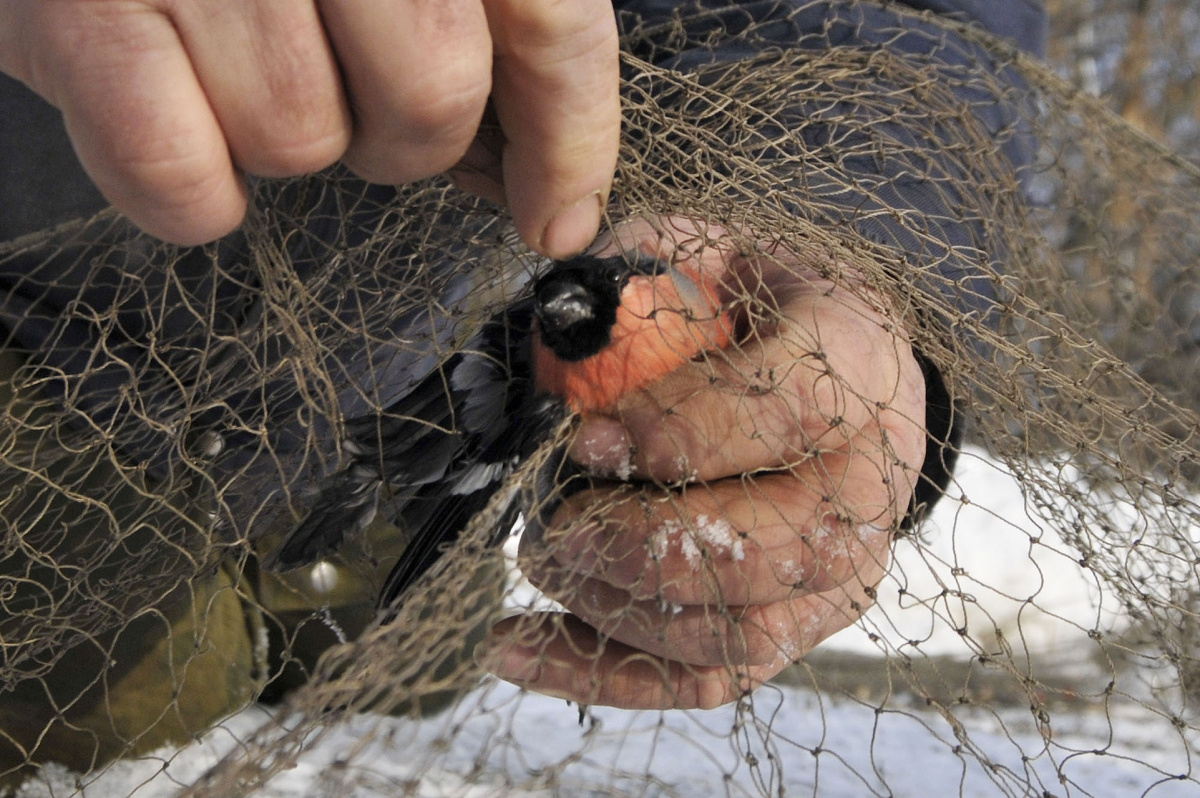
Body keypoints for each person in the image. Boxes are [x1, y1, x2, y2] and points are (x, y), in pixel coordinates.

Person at [0, 0, 1046, 776]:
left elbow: (921, 24)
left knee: (411, 672)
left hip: (413, 388)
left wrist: (844, 227)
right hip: (62, 360)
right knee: (136, 717)